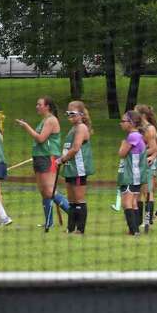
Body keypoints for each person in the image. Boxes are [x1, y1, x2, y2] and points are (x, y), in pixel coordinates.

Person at [16, 95, 69, 231]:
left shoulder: (51, 120)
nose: (37, 107)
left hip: (49, 157)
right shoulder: (44, 120)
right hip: (39, 157)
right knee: (44, 192)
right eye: (37, 104)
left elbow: (41, 139)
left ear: (47, 107)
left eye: (40, 104)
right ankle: (49, 223)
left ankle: (74, 214)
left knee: (50, 191)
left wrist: (26, 126)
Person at [56, 100, 94, 234]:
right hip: (70, 168)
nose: (69, 116)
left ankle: (80, 229)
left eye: (72, 113)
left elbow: (76, 148)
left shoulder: (81, 127)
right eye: (68, 113)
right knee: (71, 200)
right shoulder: (73, 128)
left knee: (79, 199)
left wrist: (62, 159)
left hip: (79, 168)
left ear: (81, 114)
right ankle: (70, 228)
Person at [117, 111, 147, 236]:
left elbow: (121, 153)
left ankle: (134, 230)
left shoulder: (132, 136)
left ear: (132, 123)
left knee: (126, 203)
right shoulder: (137, 135)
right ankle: (134, 230)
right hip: (135, 175)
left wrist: (123, 144)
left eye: (123, 121)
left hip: (131, 174)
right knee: (134, 202)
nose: (121, 124)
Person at [135, 103, 157, 232]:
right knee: (138, 192)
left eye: (135, 112)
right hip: (138, 163)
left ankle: (147, 220)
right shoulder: (138, 128)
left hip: (148, 163)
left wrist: (140, 155)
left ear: (142, 115)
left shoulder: (150, 129)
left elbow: (154, 148)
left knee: (148, 192)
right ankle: (138, 221)